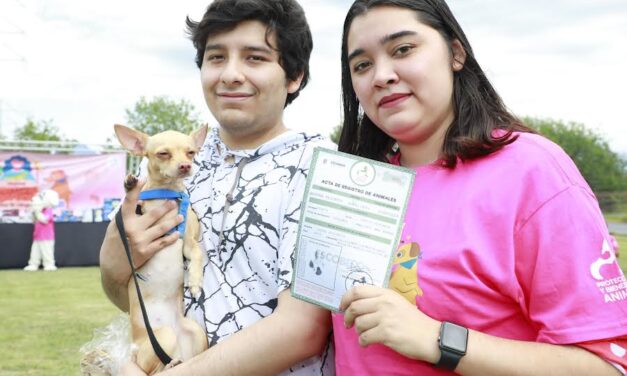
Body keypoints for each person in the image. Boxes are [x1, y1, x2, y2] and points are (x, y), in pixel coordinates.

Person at [333, 0, 627, 375]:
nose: (381, 75)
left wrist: (440, 340)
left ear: (456, 52)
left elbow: (605, 366)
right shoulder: (355, 184)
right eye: (362, 65)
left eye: (403, 49)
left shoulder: (531, 171)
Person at [99, 0, 335, 374]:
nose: (230, 75)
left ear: (295, 77)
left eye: (255, 58)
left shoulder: (326, 167)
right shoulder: (176, 165)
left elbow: (304, 329)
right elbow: (138, 296)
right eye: (216, 57)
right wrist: (113, 265)